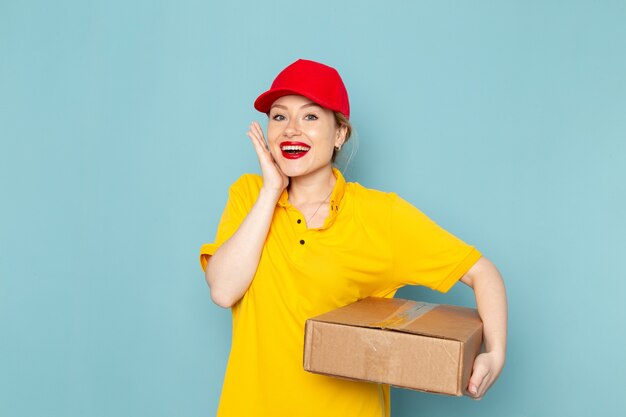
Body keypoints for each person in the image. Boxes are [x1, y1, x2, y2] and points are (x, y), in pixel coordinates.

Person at [200, 59, 507, 417]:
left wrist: (495, 352)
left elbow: (482, 272)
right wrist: (271, 190)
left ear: (340, 134)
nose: (290, 130)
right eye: (279, 116)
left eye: (310, 117)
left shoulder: (380, 215)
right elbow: (223, 290)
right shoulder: (249, 195)